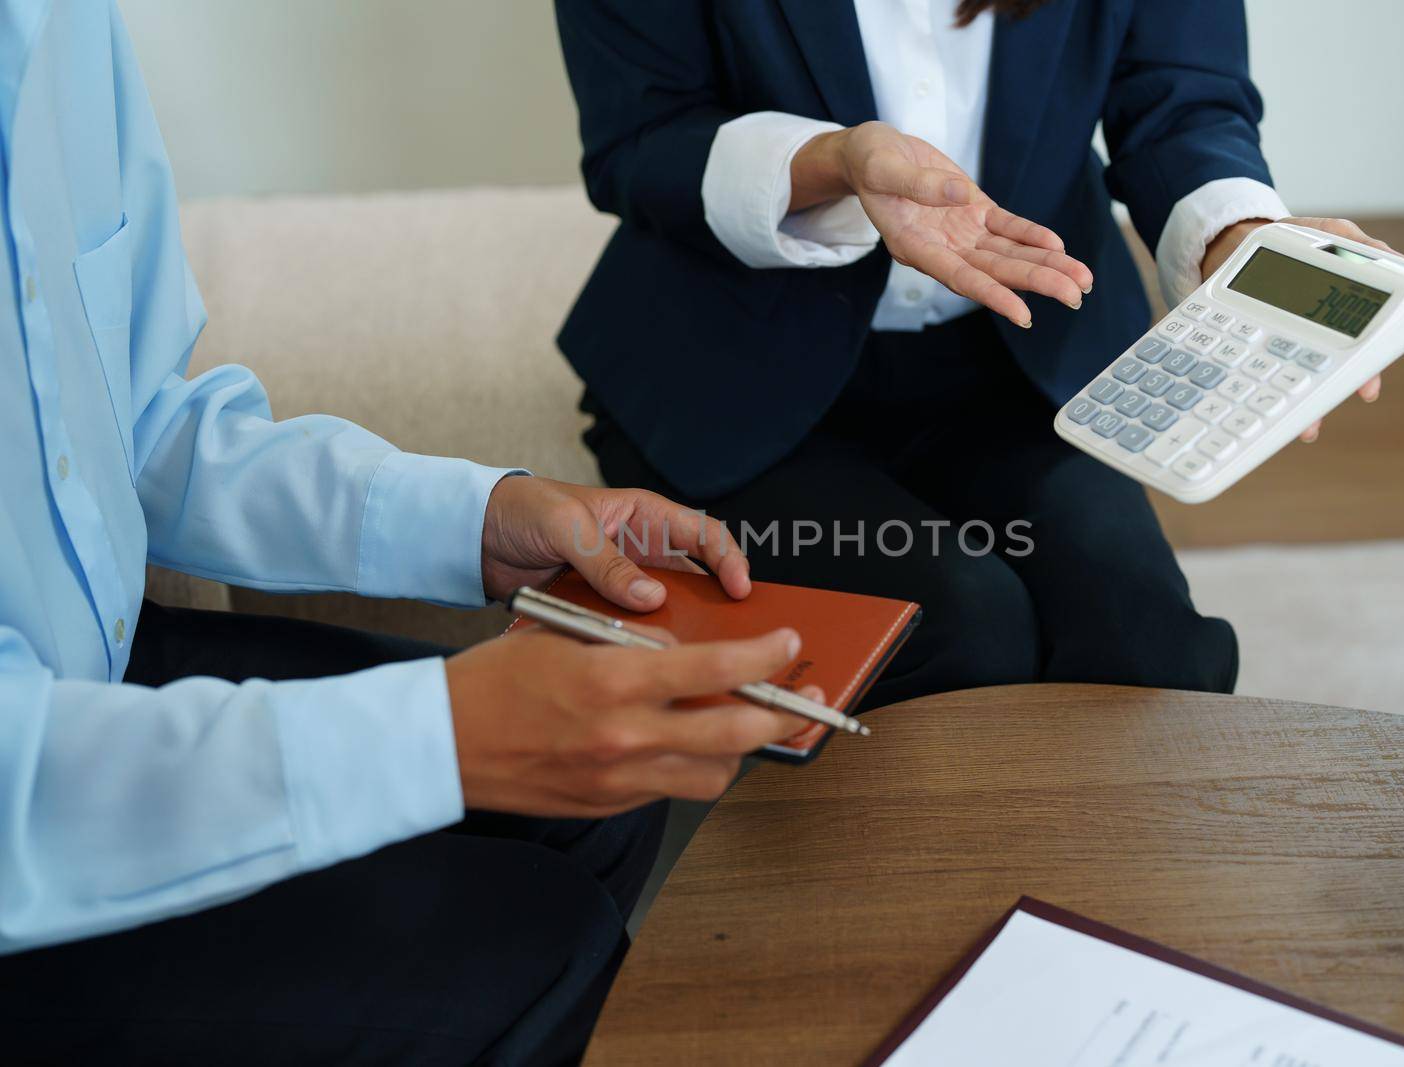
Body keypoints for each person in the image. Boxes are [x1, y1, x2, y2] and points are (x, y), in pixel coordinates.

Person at [0, 2, 810, 1063]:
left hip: (89, 665)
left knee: (596, 808)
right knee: (543, 948)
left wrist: (479, 514)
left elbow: (140, 422)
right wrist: (432, 736)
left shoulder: (58, 25)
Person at [553, 0, 1394, 706]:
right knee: (958, 636)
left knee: (1150, 654)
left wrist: (1239, 239)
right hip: (731, 375)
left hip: (1020, 362)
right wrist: (834, 162)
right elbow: (639, 138)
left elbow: (1181, 101)